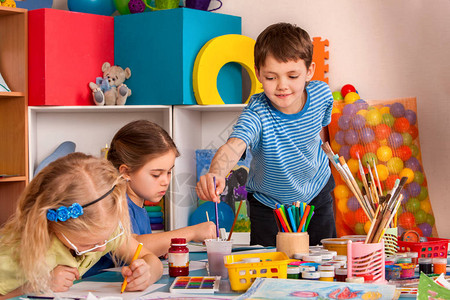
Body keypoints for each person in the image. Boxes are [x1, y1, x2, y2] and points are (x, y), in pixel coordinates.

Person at [196, 22, 336, 247]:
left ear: (309, 71)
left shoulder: (322, 95)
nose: (282, 86)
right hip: (268, 204)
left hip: (315, 194)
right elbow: (234, 146)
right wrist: (216, 172)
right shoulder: (257, 111)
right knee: (268, 264)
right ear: (258, 74)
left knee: (324, 259)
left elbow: (320, 132)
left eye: (292, 76)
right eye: (271, 77)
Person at [0, 153, 163, 298]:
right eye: (88, 244)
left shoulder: (102, 233)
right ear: (55, 224)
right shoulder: (18, 253)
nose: (101, 248)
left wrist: (147, 273)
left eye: (105, 239)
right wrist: (39, 285)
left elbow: (150, 259)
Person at [85, 120, 216, 277]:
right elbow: (135, 244)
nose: (165, 181)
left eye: (169, 172)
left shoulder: (138, 204)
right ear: (126, 172)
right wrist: (193, 232)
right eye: (156, 174)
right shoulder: (112, 204)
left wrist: (159, 248)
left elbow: (143, 249)